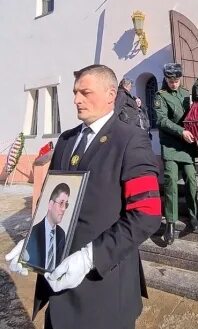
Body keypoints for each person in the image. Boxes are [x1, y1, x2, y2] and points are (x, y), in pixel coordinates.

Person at [5, 64, 161, 329]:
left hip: (104, 281)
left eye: (85, 92)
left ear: (111, 94)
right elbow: (52, 199)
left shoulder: (130, 139)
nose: (76, 99)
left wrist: (90, 256)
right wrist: (35, 242)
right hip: (59, 278)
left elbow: (146, 214)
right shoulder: (66, 140)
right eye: (75, 92)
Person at [154, 63, 198, 245]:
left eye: (177, 80)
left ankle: (193, 215)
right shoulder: (160, 96)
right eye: (170, 80)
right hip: (172, 145)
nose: (174, 83)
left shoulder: (186, 93)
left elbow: (192, 116)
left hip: (187, 145)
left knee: (191, 179)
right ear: (165, 79)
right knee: (171, 182)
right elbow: (162, 120)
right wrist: (181, 132)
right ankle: (170, 223)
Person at [24, 183, 70, 272]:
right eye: (61, 203)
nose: (64, 208)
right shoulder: (33, 233)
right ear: (50, 204)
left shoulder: (61, 234)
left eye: (66, 204)